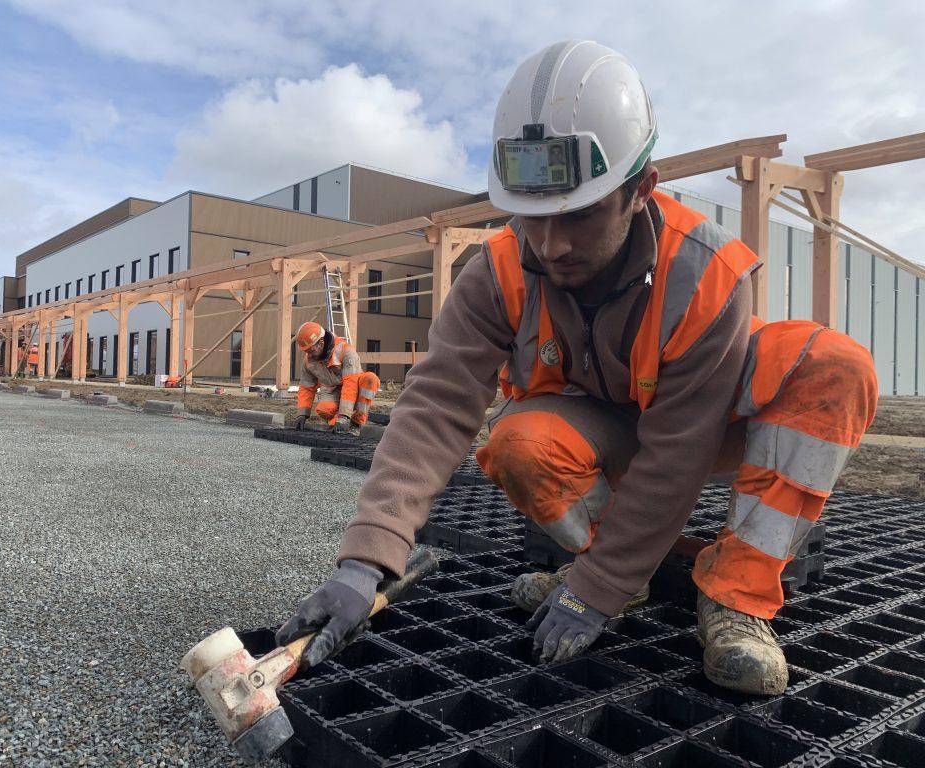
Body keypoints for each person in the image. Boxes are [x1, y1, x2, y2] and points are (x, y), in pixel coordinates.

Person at [277, 41, 877, 695]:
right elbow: (435, 408)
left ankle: (736, 598)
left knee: (835, 368)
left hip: (712, 425)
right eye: (531, 216)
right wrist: (366, 561)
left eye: (580, 215)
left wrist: (593, 595)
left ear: (641, 190)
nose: (551, 245)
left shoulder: (705, 274)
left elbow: (676, 455)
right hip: (609, 427)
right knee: (518, 442)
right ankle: (628, 574)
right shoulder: (498, 272)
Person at [293, 321, 380, 437]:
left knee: (371, 379)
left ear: (321, 343)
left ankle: (355, 424)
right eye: (306, 351)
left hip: (356, 388)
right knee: (324, 409)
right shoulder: (309, 361)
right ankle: (337, 423)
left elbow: (351, 384)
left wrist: (344, 416)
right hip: (333, 390)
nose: (309, 355)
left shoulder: (346, 351)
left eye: (311, 351)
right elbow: (306, 387)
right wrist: (302, 415)